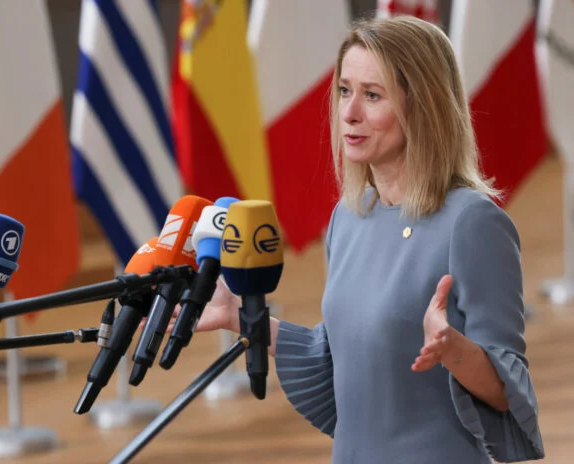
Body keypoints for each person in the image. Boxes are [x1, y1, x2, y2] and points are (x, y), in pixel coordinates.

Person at [173, 15, 545, 463]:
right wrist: (238, 314)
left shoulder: (472, 223)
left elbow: (510, 393)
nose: (349, 113)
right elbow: (339, 362)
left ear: (422, 106)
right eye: (345, 90)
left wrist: (454, 349)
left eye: (372, 95)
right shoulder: (349, 216)